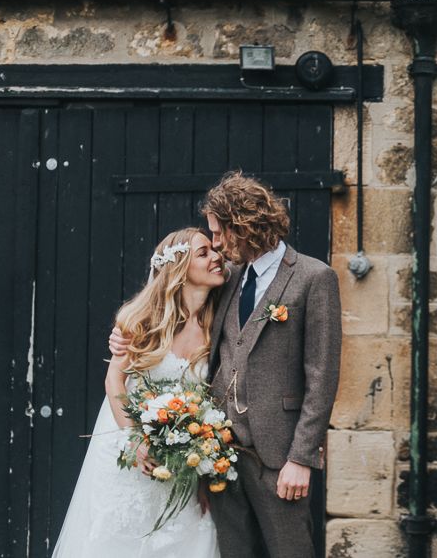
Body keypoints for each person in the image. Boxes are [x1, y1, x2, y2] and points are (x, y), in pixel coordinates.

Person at [110, 172, 342, 558]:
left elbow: (323, 377)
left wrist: (301, 459)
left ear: (245, 226)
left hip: (279, 456)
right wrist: (123, 339)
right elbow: (172, 300)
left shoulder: (314, 278)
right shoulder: (228, 277)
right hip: (220, 454)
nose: (215, 245)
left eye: (219, 234)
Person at [54, 227, 225, 558]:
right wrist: (135, 439)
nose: (216, 256)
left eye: (213, 249)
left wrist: (203, 469)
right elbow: (113, 381)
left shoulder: (217, 323)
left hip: (183, 465)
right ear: (179, 269)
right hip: (133, 451)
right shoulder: (143, 318)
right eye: (203, 253)